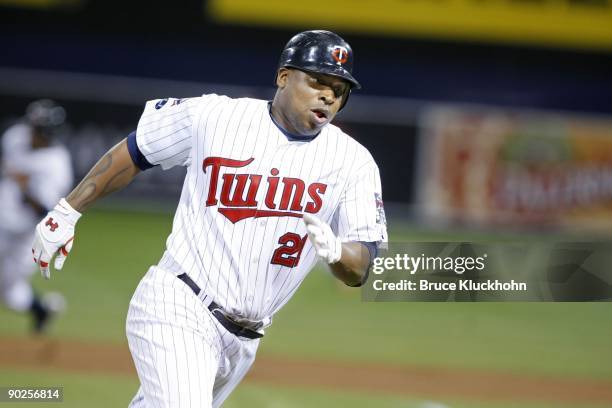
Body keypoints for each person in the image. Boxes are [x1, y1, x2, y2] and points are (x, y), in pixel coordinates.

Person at [31, 30, 387, 407]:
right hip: (179, 303)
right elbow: (137, 150)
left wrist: (337, 252)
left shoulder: (354, 162)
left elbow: (361, 266)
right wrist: (67, 210)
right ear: (283, 76)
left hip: (244, 341)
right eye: (317, 81)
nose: (328, 95)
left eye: (339, 88)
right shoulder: (216, 116)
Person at [0, 99, 72, 333]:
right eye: (34, 127)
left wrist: (25, 188)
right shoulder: (15, 136)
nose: (35, 133)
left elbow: (45, 210)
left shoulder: (57, 164)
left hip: (24, 235)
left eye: (41, 130)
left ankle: (40, 310)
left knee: (9, 289)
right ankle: (41, 309)